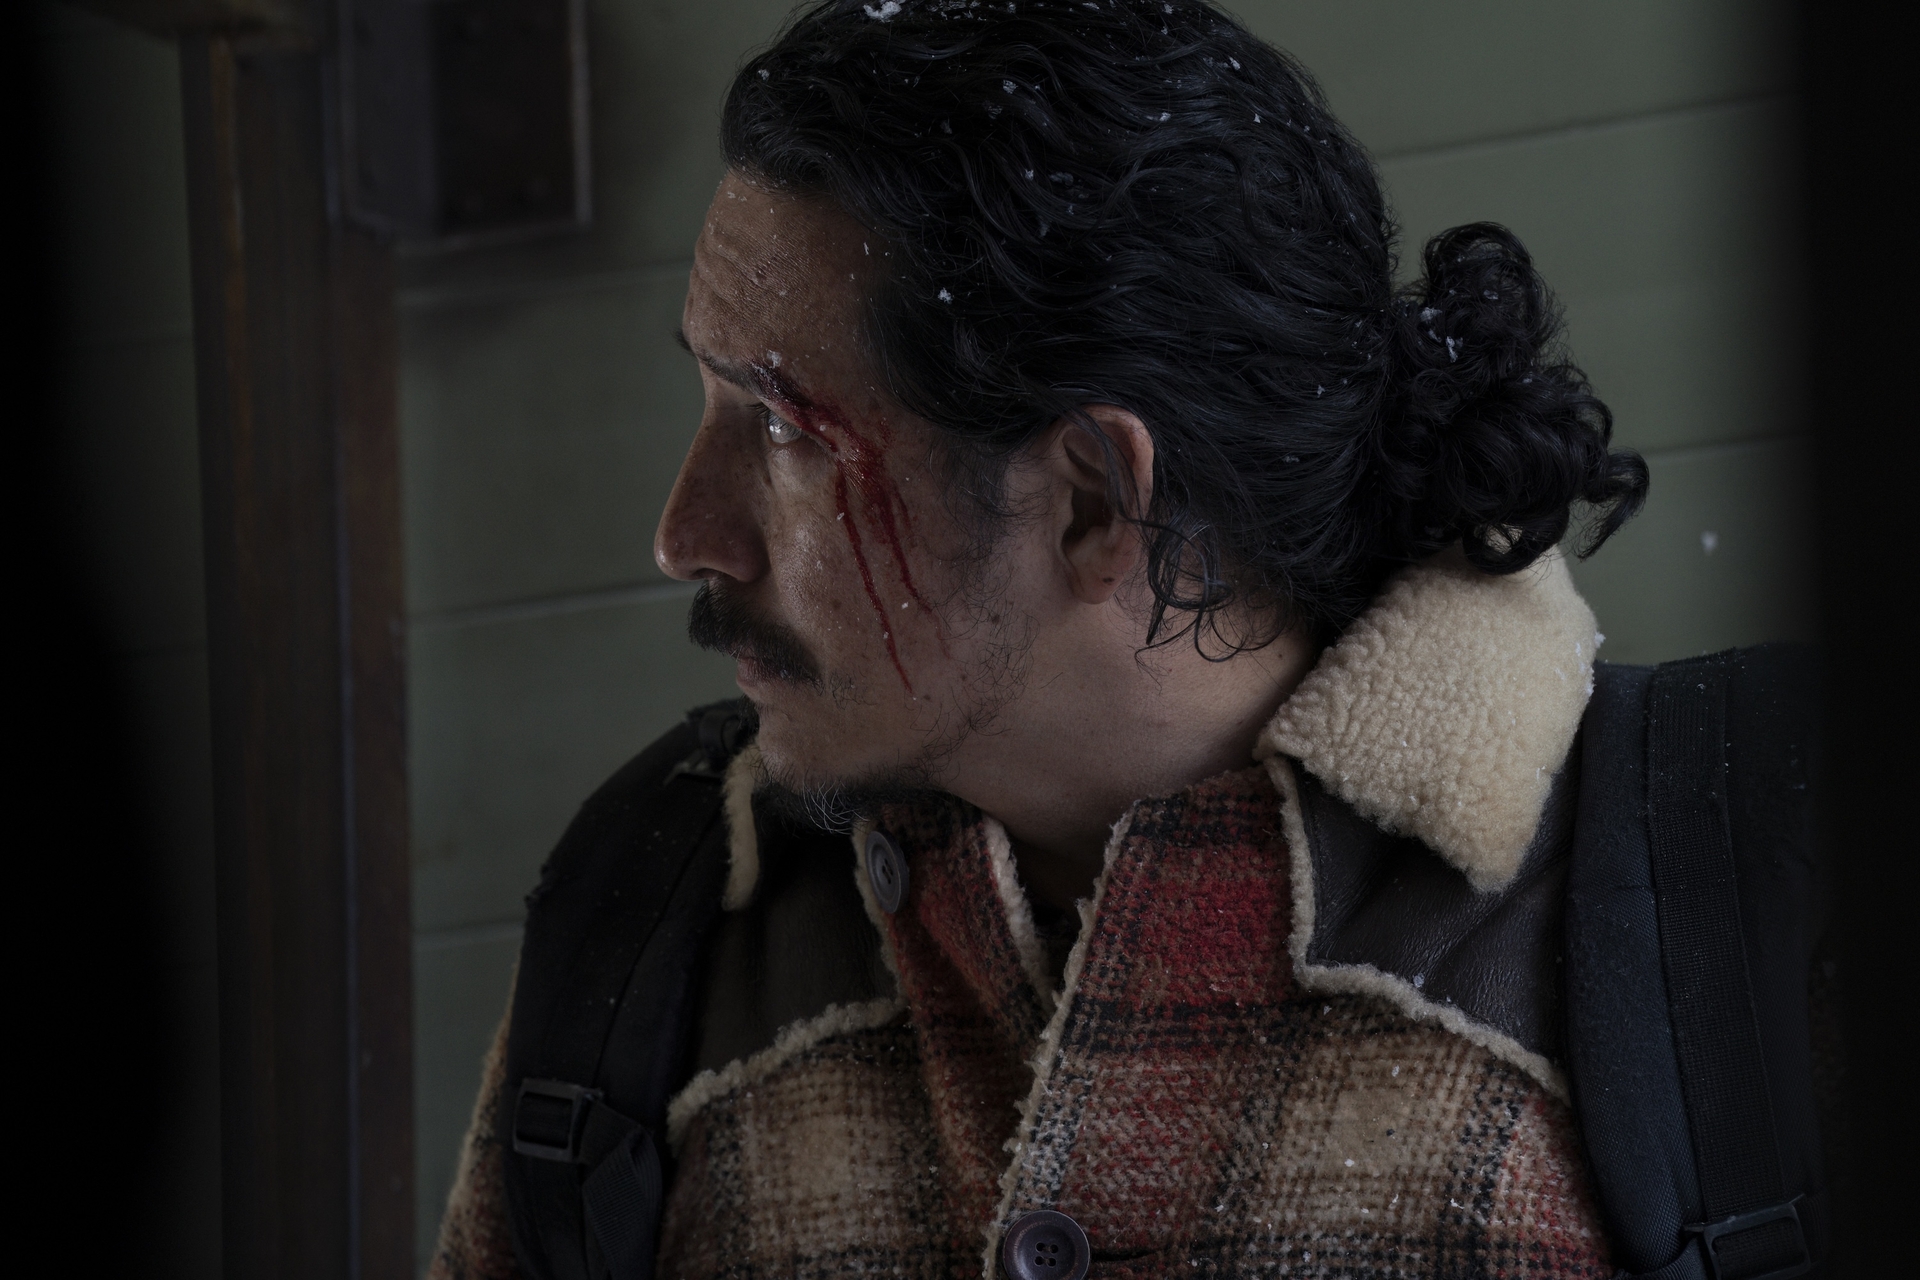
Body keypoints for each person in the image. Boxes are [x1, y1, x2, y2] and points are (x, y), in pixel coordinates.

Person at [431, 4, 1826, 1278]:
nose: (685, 534)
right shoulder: (664, 919)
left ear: (1094, 500)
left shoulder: (1742, 903)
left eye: (786, 431)